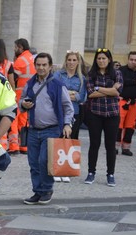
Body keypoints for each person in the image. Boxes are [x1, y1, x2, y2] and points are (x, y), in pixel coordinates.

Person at [20, 52, 74, 205]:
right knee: (33, 163)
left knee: (44, 161)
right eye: (38, 65)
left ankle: (47, 189)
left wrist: (67, 124)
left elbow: (67, 107)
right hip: (33, 129)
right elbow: (22, 100)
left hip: (51, 129)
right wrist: (23, 104)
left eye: (44, 65)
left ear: (50, 66)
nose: (41, 68)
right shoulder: (30, 83)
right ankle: (37, 191)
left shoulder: (57, 85)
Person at [84, 48, 123, 187]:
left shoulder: (117, 73)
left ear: (109, 60)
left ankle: (110, 174)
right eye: (99, 58)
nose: (101, 61)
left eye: (104, 58)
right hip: (95, 113)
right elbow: (90, 94)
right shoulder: (91, 74)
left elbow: (117, 92)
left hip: (112, 114)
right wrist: (109, 91)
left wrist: (98, 88)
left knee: (110, 146)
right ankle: (91, 172)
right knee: (94, 144)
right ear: (96, 60)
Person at [53, 50, 87, 182]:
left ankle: (67, 170)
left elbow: (81, 97)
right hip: (59, 112)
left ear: (78, 62)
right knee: (59, 139)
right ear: (65, 61)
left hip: (75, 112)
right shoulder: (58, 75)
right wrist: (71, 94)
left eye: (74, 60)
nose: (71, 62)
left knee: (71, 140)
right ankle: (57, 169)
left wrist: (66, 94)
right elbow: (56, 92)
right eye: (69, 60)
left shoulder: (81, 78)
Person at [12, 38, 36, 154]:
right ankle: (24, 145)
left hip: (20, 92)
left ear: (20, 47)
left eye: (15, 47)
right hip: (30, 92)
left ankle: (14, 145)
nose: (14, 49)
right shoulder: (31, 57)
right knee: (24, 120)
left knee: (15, 118)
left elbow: (12, 78)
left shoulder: (20, 60)